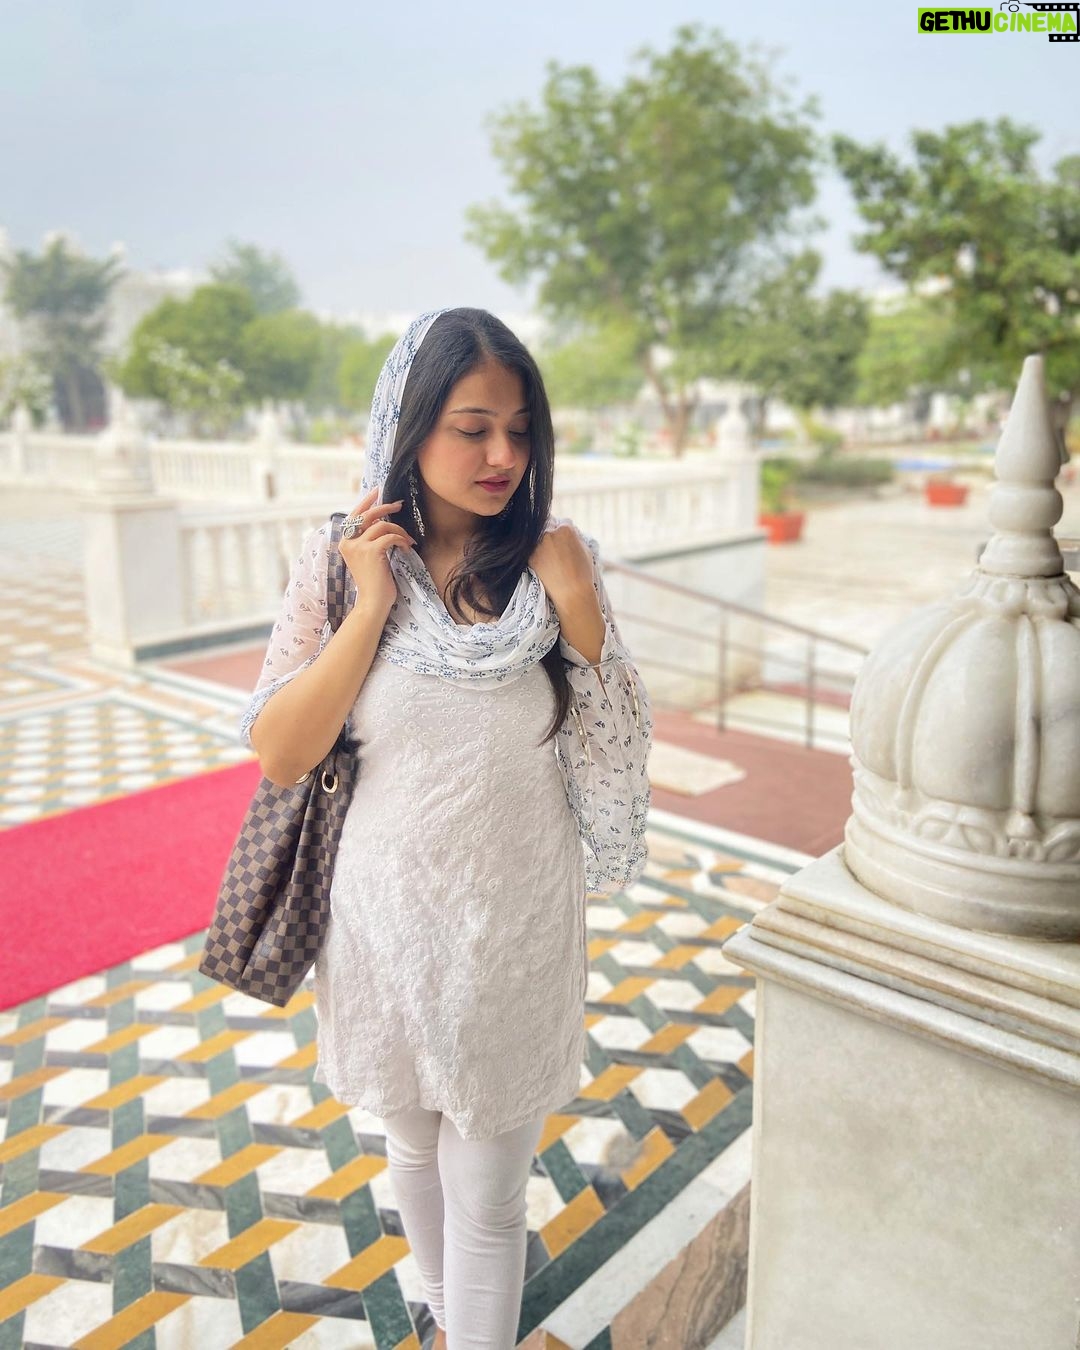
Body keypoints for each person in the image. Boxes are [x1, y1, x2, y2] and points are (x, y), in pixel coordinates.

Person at [239, 307, 653, 1349]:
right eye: (473, 428)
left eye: (520, 429)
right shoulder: (341, 561)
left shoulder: (555, 563)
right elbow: (282, 750)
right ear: (410, 428)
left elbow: (616, 742)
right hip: (384, 925)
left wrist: (581, 610)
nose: (503, 455)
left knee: (491, 1195)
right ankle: (440, 1316)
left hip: (514, 931)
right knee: (414, 1148)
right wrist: (371, 606)